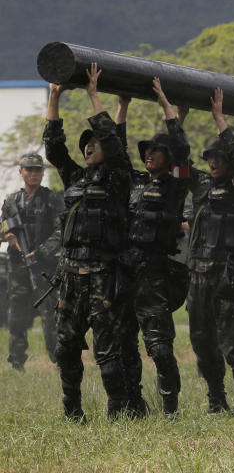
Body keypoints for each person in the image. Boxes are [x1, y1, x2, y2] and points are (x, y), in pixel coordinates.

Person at [43, 64, 131, 421]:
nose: (89, 146)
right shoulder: (75, 179)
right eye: (86, 145)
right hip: (69, 276)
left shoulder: (118, 179)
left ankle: (117, 412)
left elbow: (112, 139)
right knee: (65, 348)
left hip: (103, 274)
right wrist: (55, 95)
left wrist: (94, 94)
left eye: (94, 143)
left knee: (107, 350)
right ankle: (72, 413)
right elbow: (53, 148)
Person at [114, 79, 193, 417]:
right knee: (124, 344)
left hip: (156, 275)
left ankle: (170, 409)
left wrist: (166, 106)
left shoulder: (175, 185)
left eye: (155, 151)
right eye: (145, 151)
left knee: (160, 347)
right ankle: (134, 405)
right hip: (125, 272)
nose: (148, 154)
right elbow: (114, 149)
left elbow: (182, 150)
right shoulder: (131, 182)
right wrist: (123, 106)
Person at [182, 88, 234, 413]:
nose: (213, 162)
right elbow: (177, 161)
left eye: (218, 157)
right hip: (198, 274)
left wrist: (219, 119)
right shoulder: (199, 186)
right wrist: (178, 119)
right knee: (202, 341)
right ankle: (216, 400)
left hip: (228, 274)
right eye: (209, 158)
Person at [1, 153, 63, 371]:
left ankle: (58, 361)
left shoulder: (53, 199)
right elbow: (3, 227)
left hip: (45, 267)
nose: (34, 173)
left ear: (42, 173)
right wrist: (10, 237)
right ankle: (17, 362)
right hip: (18, 267)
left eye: (37, 170)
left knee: (51, 313)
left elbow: (61, 230)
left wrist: (40, 252)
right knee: (17, 314)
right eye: (29, 169)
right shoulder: (11, 201)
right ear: (21, 172)